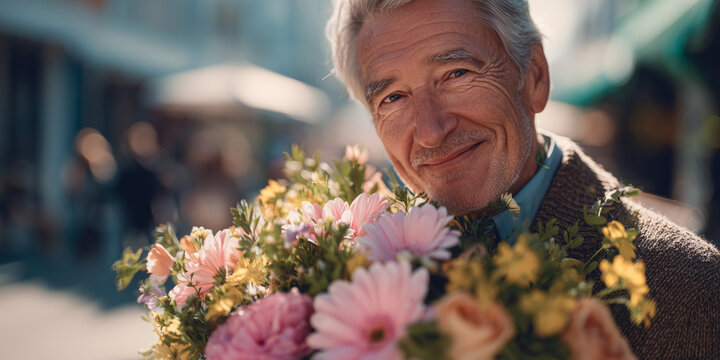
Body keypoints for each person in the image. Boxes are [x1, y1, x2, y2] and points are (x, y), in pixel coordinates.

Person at [325, 0, 720, 358]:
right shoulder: (351, 278)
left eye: (456, 73)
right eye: (392, 98)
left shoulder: (696, 293)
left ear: (535, 78)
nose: (430, 130)